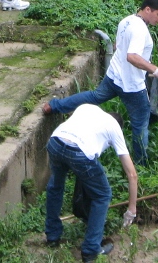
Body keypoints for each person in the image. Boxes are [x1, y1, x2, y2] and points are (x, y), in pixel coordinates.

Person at [44, 0, 158, 163]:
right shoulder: (140, 30)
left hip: (114, 76)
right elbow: (132, 56)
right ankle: (141, 164)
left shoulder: (126, 21)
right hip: (132, 86)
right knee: (140, 125)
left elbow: (119, 46)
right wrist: (155, 69)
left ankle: (54, 106)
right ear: (148, 9)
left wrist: (146, 64)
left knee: (94, 96)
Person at [44, 104, 138, 262]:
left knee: (56, 187)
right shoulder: (114, 128)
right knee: (102, 195)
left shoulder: (87, 108)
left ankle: (52, 236)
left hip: (55, 141)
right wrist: (132, 209)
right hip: (79, 152)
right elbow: (132, 174)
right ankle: (91, 250)